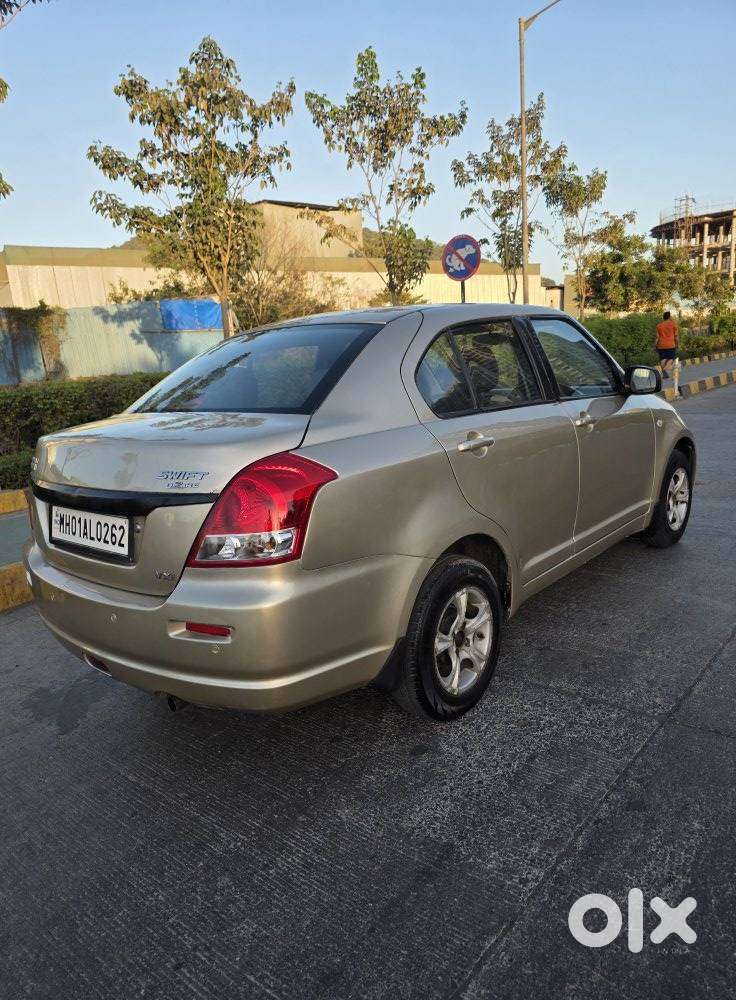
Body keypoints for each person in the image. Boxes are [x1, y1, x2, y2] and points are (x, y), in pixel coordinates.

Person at [655, 311, 679, 379]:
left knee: (662, 359)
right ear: (669, 317)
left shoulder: (659, 326)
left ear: (663, 317)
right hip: (671, 345)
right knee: (671, 358)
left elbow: (657, 337)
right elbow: (676, 336)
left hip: (661, 345)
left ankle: (664, 373)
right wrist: (677, 344)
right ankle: (666, 369)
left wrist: (655, 345)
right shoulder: (673, 325)